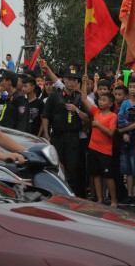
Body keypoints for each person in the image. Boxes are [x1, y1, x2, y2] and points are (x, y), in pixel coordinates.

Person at [40, 68, 89, 196]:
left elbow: (88, 117)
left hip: (73, 138)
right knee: (57, 167)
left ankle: (71, 194)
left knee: (72, 168)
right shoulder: (54, 96)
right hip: (57, 136)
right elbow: (45, 116)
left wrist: (76, 110)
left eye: (74, 80)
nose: (71, 82)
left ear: (77, 83)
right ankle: (56, 193)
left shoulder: (79, 98)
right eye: (69, 79)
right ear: (64, 80)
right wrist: (46, 134)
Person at [80, 74, 118, 207]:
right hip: (93, 148)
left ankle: (113, 200)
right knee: (95, 175)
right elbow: (84, 98)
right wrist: (84, 83)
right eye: (100, 100)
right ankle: (99, 199)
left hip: (105, 151)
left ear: (111, 103)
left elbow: (111, 133)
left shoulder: (113, 116)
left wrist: (98, 125)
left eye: (104, 100)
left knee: (108, 177)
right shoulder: (96, 111)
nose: (101, 102)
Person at [117, 78, 135, 206]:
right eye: (131, 86)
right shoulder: (125, 104)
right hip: (127, 139)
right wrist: (124, 133)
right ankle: (129, 194)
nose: (133, 89)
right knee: (128, 169)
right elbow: (121, 121)